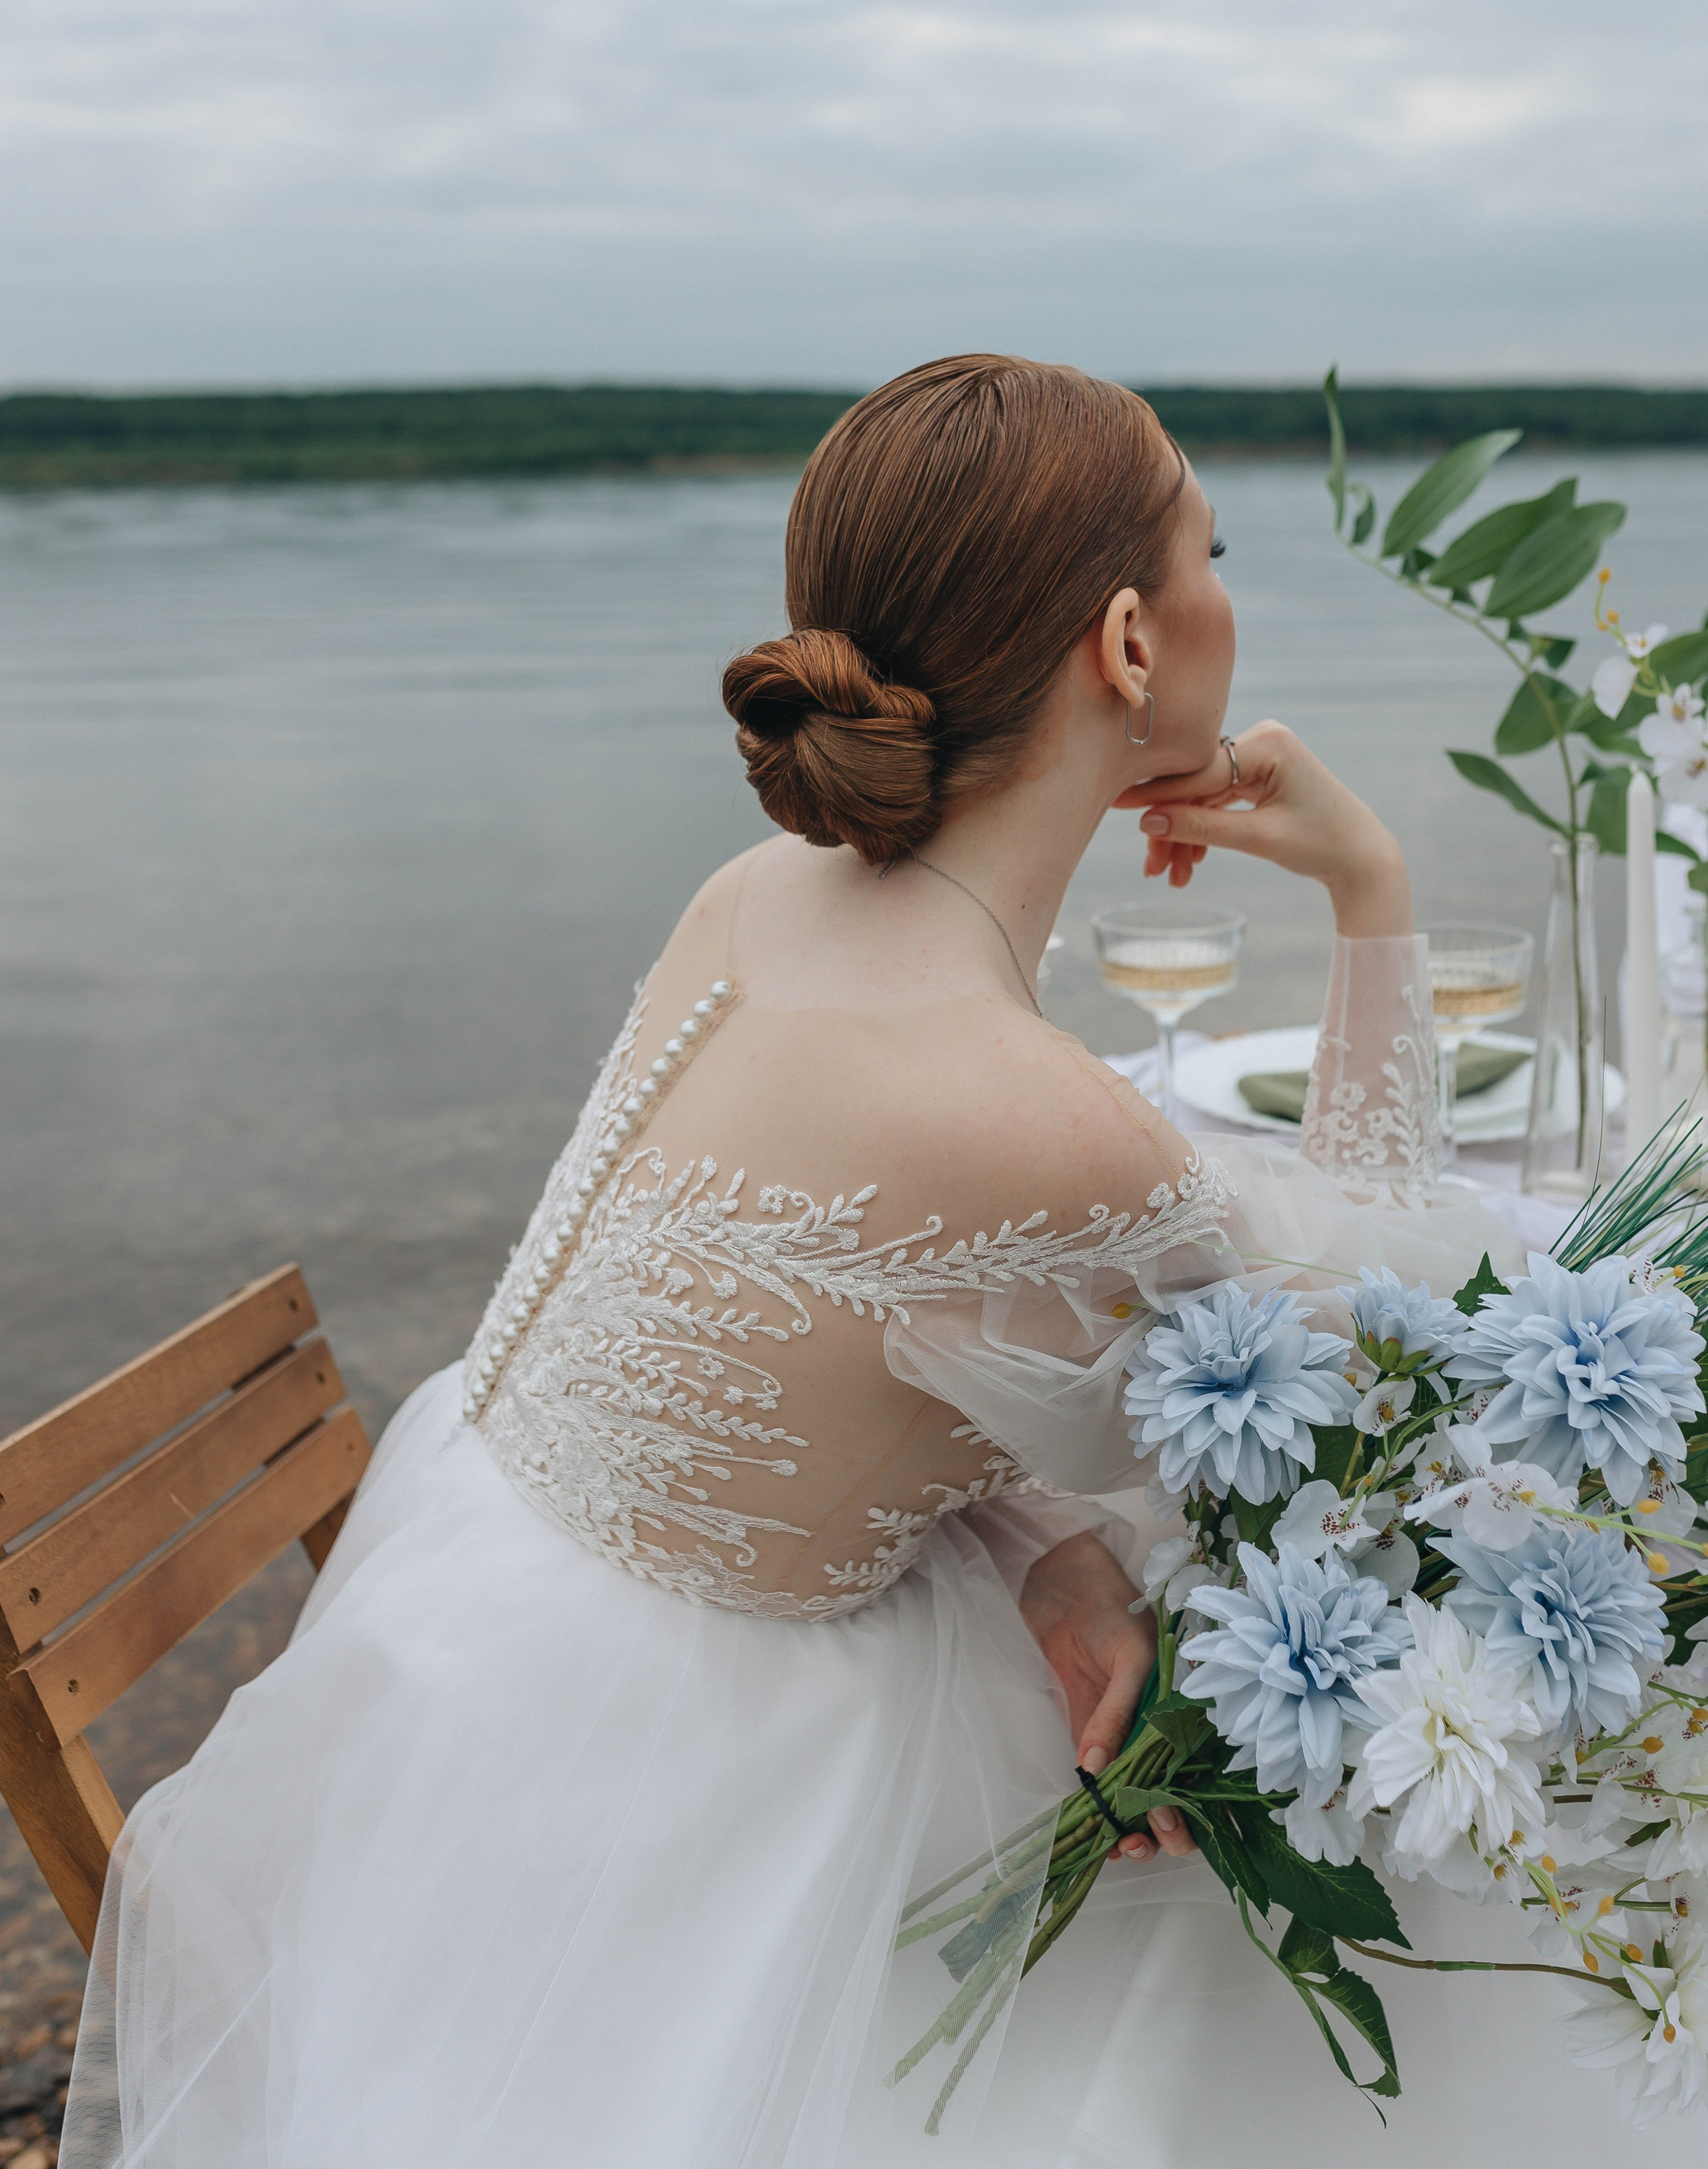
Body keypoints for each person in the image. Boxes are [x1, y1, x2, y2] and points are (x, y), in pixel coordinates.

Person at [60, 354, 1671, 2167]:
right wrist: (1366, 880)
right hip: (701, 1800)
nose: (1232, 590)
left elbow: (823, 1349)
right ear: (1132, 648)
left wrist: (1050, 1550)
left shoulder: (754, 896)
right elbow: (1392, 1354)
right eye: (1213, 551)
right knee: (1455, 1864)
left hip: (486, 1652)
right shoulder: (1042, 1122)